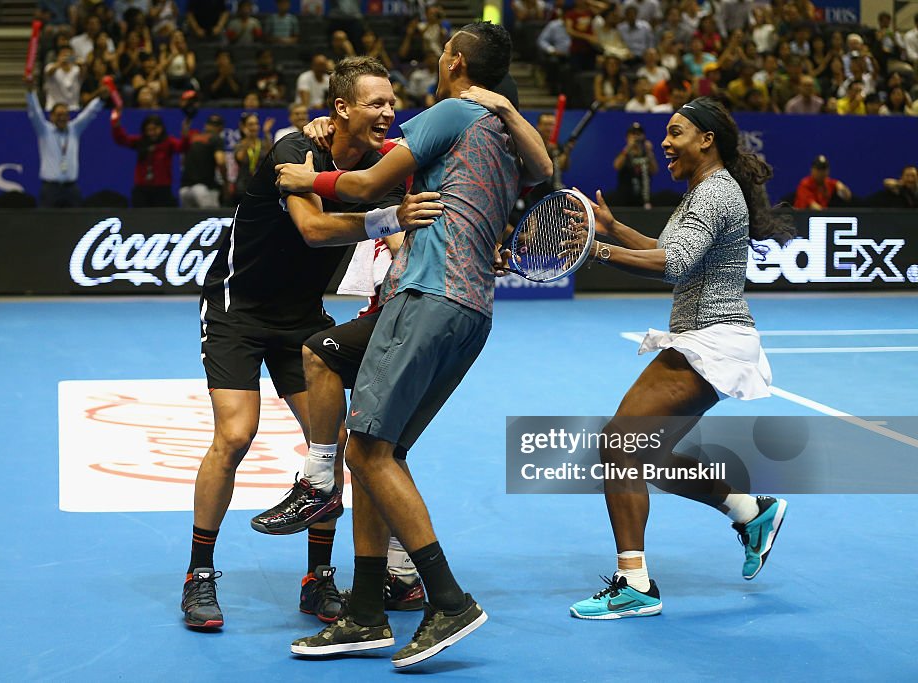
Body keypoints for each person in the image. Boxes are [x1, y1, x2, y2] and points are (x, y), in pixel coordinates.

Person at [274, 22, 552, 667]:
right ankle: (367, 613)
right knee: (381, 450)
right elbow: (546, 168)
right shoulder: (505, 136)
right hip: (472, 312)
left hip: (428, 295)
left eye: (442, 51)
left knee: (366, 450)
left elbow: (368, 186)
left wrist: (302, 180)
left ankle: (449, 599)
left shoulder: (450, 111)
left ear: (454, 62)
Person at [180, 55, 442, 632]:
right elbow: (313, 229)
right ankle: (199, 574)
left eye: (392, 102)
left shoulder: (375, 167)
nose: (390, 112)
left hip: (302, 316)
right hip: (238, 310)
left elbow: (423, 198)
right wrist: (385, 220)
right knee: (235, 434)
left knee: (334, 438)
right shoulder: (293, 151)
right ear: (341, 109)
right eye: (377, 103)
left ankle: (317, 577)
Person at [565, 97, 795, 619]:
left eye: (675, 133)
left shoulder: (714, 194)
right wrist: (615, 231)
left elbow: (673, 263)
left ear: (706, 139)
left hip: (712, 340)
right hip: (707, 338)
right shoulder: (703, 192)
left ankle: (635, 584)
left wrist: (596, 252)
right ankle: (749, 511)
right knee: (639, 452)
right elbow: (667, 248)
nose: (665, 143)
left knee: (619, 444)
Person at [25, 80, 104, 208]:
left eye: (66, 115)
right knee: (45, 223)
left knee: (77, 223)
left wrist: (100, 99)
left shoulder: (74, 129)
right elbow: (35, 112)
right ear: (51, 117)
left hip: (71, 188)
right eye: (59, 115)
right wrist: (30, 92)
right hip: (50, 188)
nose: (62, 117)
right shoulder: (44, 130)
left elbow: (88, 114)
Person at [111, 112, 190, 206]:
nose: (151, 133)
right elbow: (122, 140)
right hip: (141, 189)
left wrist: (185, 135)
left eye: (155, 129)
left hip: (162, 189)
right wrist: (116, 126)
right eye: (148, 130)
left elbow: (182, 147)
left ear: (161, 128)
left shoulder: (168, 142)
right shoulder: (140, 141)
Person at [179, 113, 228, 207]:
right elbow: (220, 161)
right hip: (203, 189)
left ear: (206, 126)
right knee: (210, 220)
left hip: (184, 189)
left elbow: (183, 160)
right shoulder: (216, 139)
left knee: (188, 221)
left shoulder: (193, 138)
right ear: (221, 128)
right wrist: (226, 182)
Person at [611, 122, 657, 207]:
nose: (636, 137)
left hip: (643, 198)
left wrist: (650, 152)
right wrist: (628, 148)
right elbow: (616, 166)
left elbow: (654, 170)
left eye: (638, 134)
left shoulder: (646, 153)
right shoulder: (625, 153)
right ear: (627, 137)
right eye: (633, 134)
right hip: (625, 199)